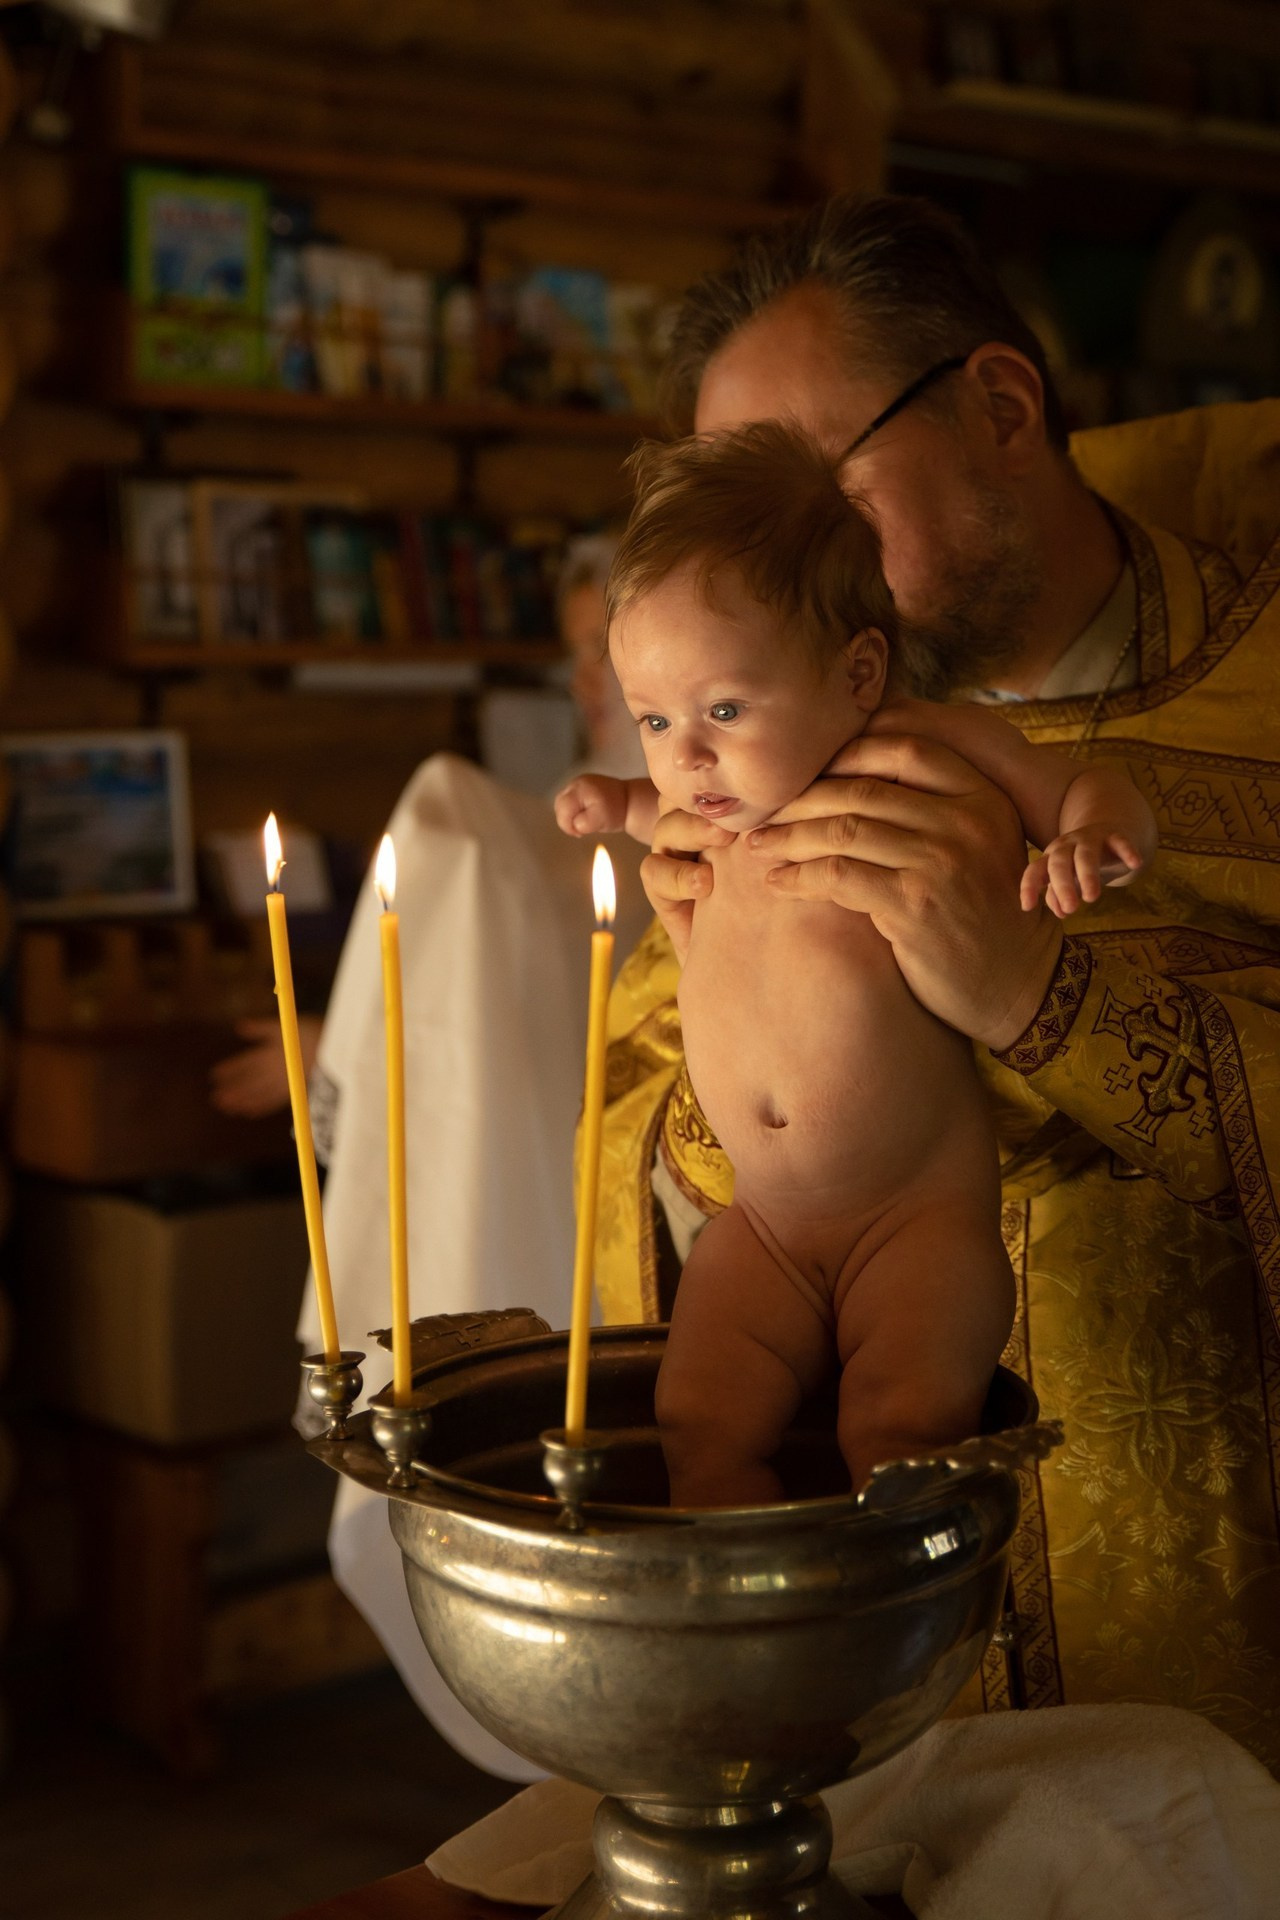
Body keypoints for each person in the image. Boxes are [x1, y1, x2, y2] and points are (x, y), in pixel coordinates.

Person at [591, 193, 1280, 1771]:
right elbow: (649, 1111)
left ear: (1002, 410)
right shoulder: (754, 753)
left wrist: (1048, 994)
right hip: (863, 1674)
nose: (779, 560)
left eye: (812, 486)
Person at [560, 422, 1153, 1504]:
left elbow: (1078, 785)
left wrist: (1091, 841)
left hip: (913, 1223)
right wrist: (618, 807)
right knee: (694, 1425)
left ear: (858, 672)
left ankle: (896, 1621)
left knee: (897, 1434)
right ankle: (760, 1631)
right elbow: (665, 804)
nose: (687, 756)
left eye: (723, 709)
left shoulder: (921, 750)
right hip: (767, 1223)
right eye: (652, 718)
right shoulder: (718, 806)